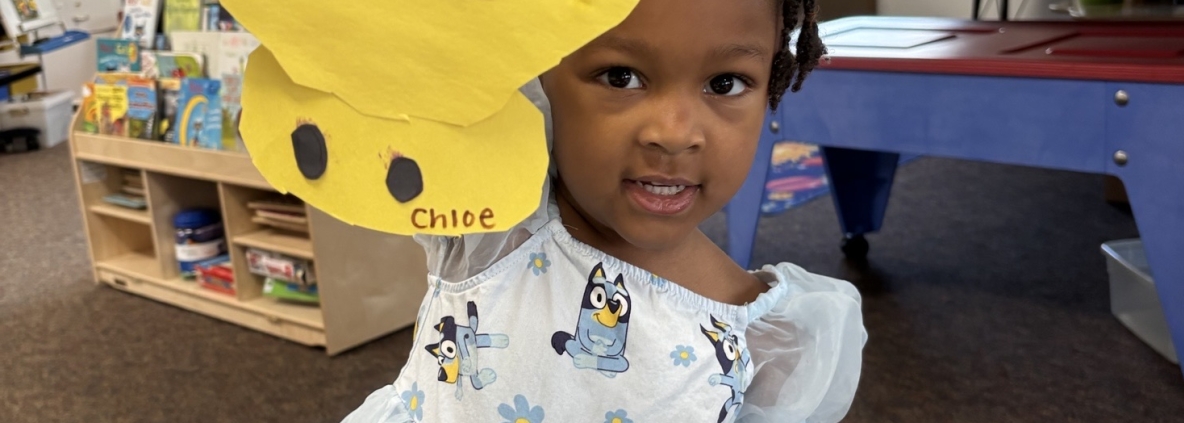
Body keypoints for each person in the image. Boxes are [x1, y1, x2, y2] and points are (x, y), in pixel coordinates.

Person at [345, 0, 864, 421]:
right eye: (620, 77)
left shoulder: (767, 339)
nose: (674, 134)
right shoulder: (492, 230)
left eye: (724, 83)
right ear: (537, 77)